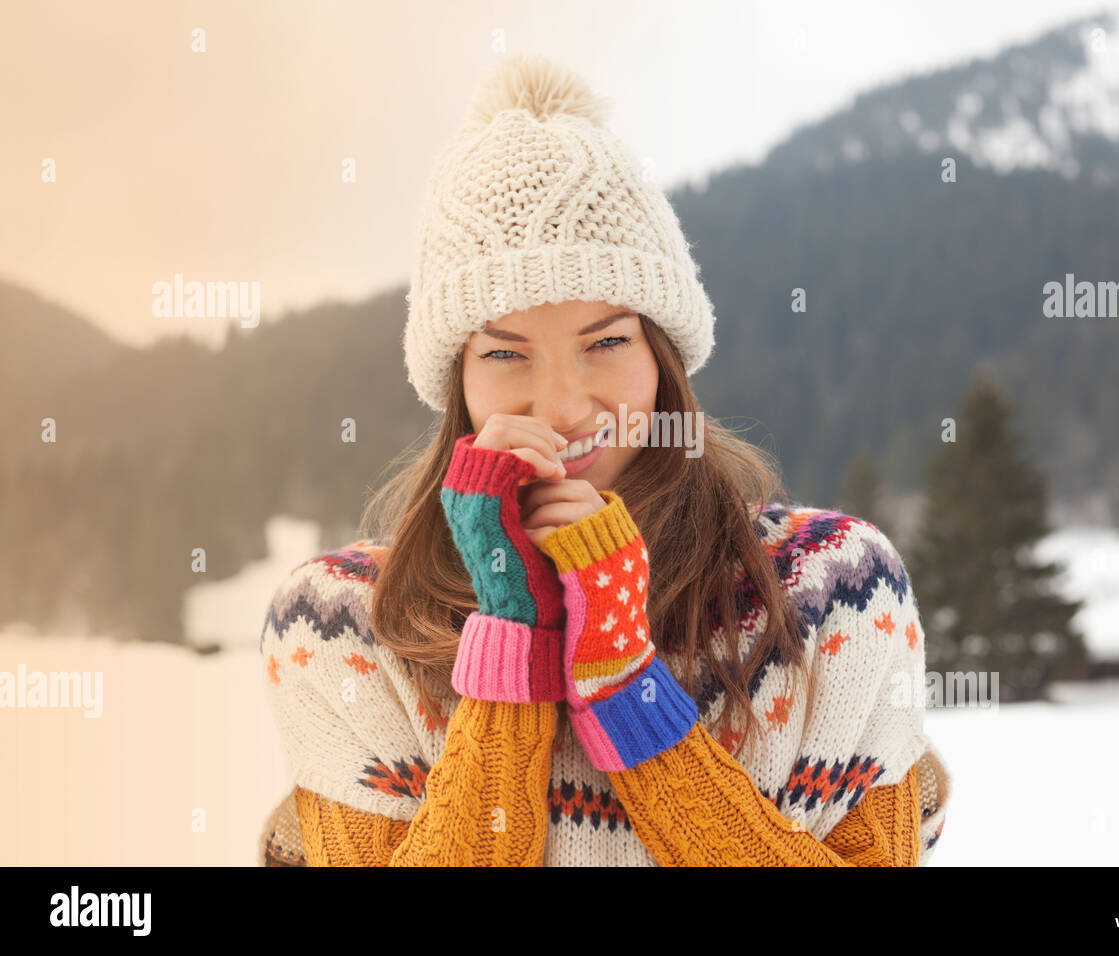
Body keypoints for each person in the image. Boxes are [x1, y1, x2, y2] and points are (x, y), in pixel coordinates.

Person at [257, 52, 951, 867]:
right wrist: (511, 638)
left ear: (664, 355)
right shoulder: (339, 621)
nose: (562, 405)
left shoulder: (835, 588)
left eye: (607, 342)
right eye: (506, 354)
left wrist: (629, 688)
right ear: (457, 381)